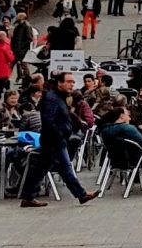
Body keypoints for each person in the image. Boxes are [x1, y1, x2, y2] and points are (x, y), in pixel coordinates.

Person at [19, 72, 96, 208]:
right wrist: (59, 134)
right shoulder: (51, 99)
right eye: (69, 81)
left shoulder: (58, 97)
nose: (72, 84)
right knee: (65, 167)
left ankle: (27, 196)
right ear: (59, 83)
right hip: (54, 140)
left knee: (41, 168)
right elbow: (48, 121)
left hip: (53, 139)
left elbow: (64, 116)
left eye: (73, 82)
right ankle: (81, 194)